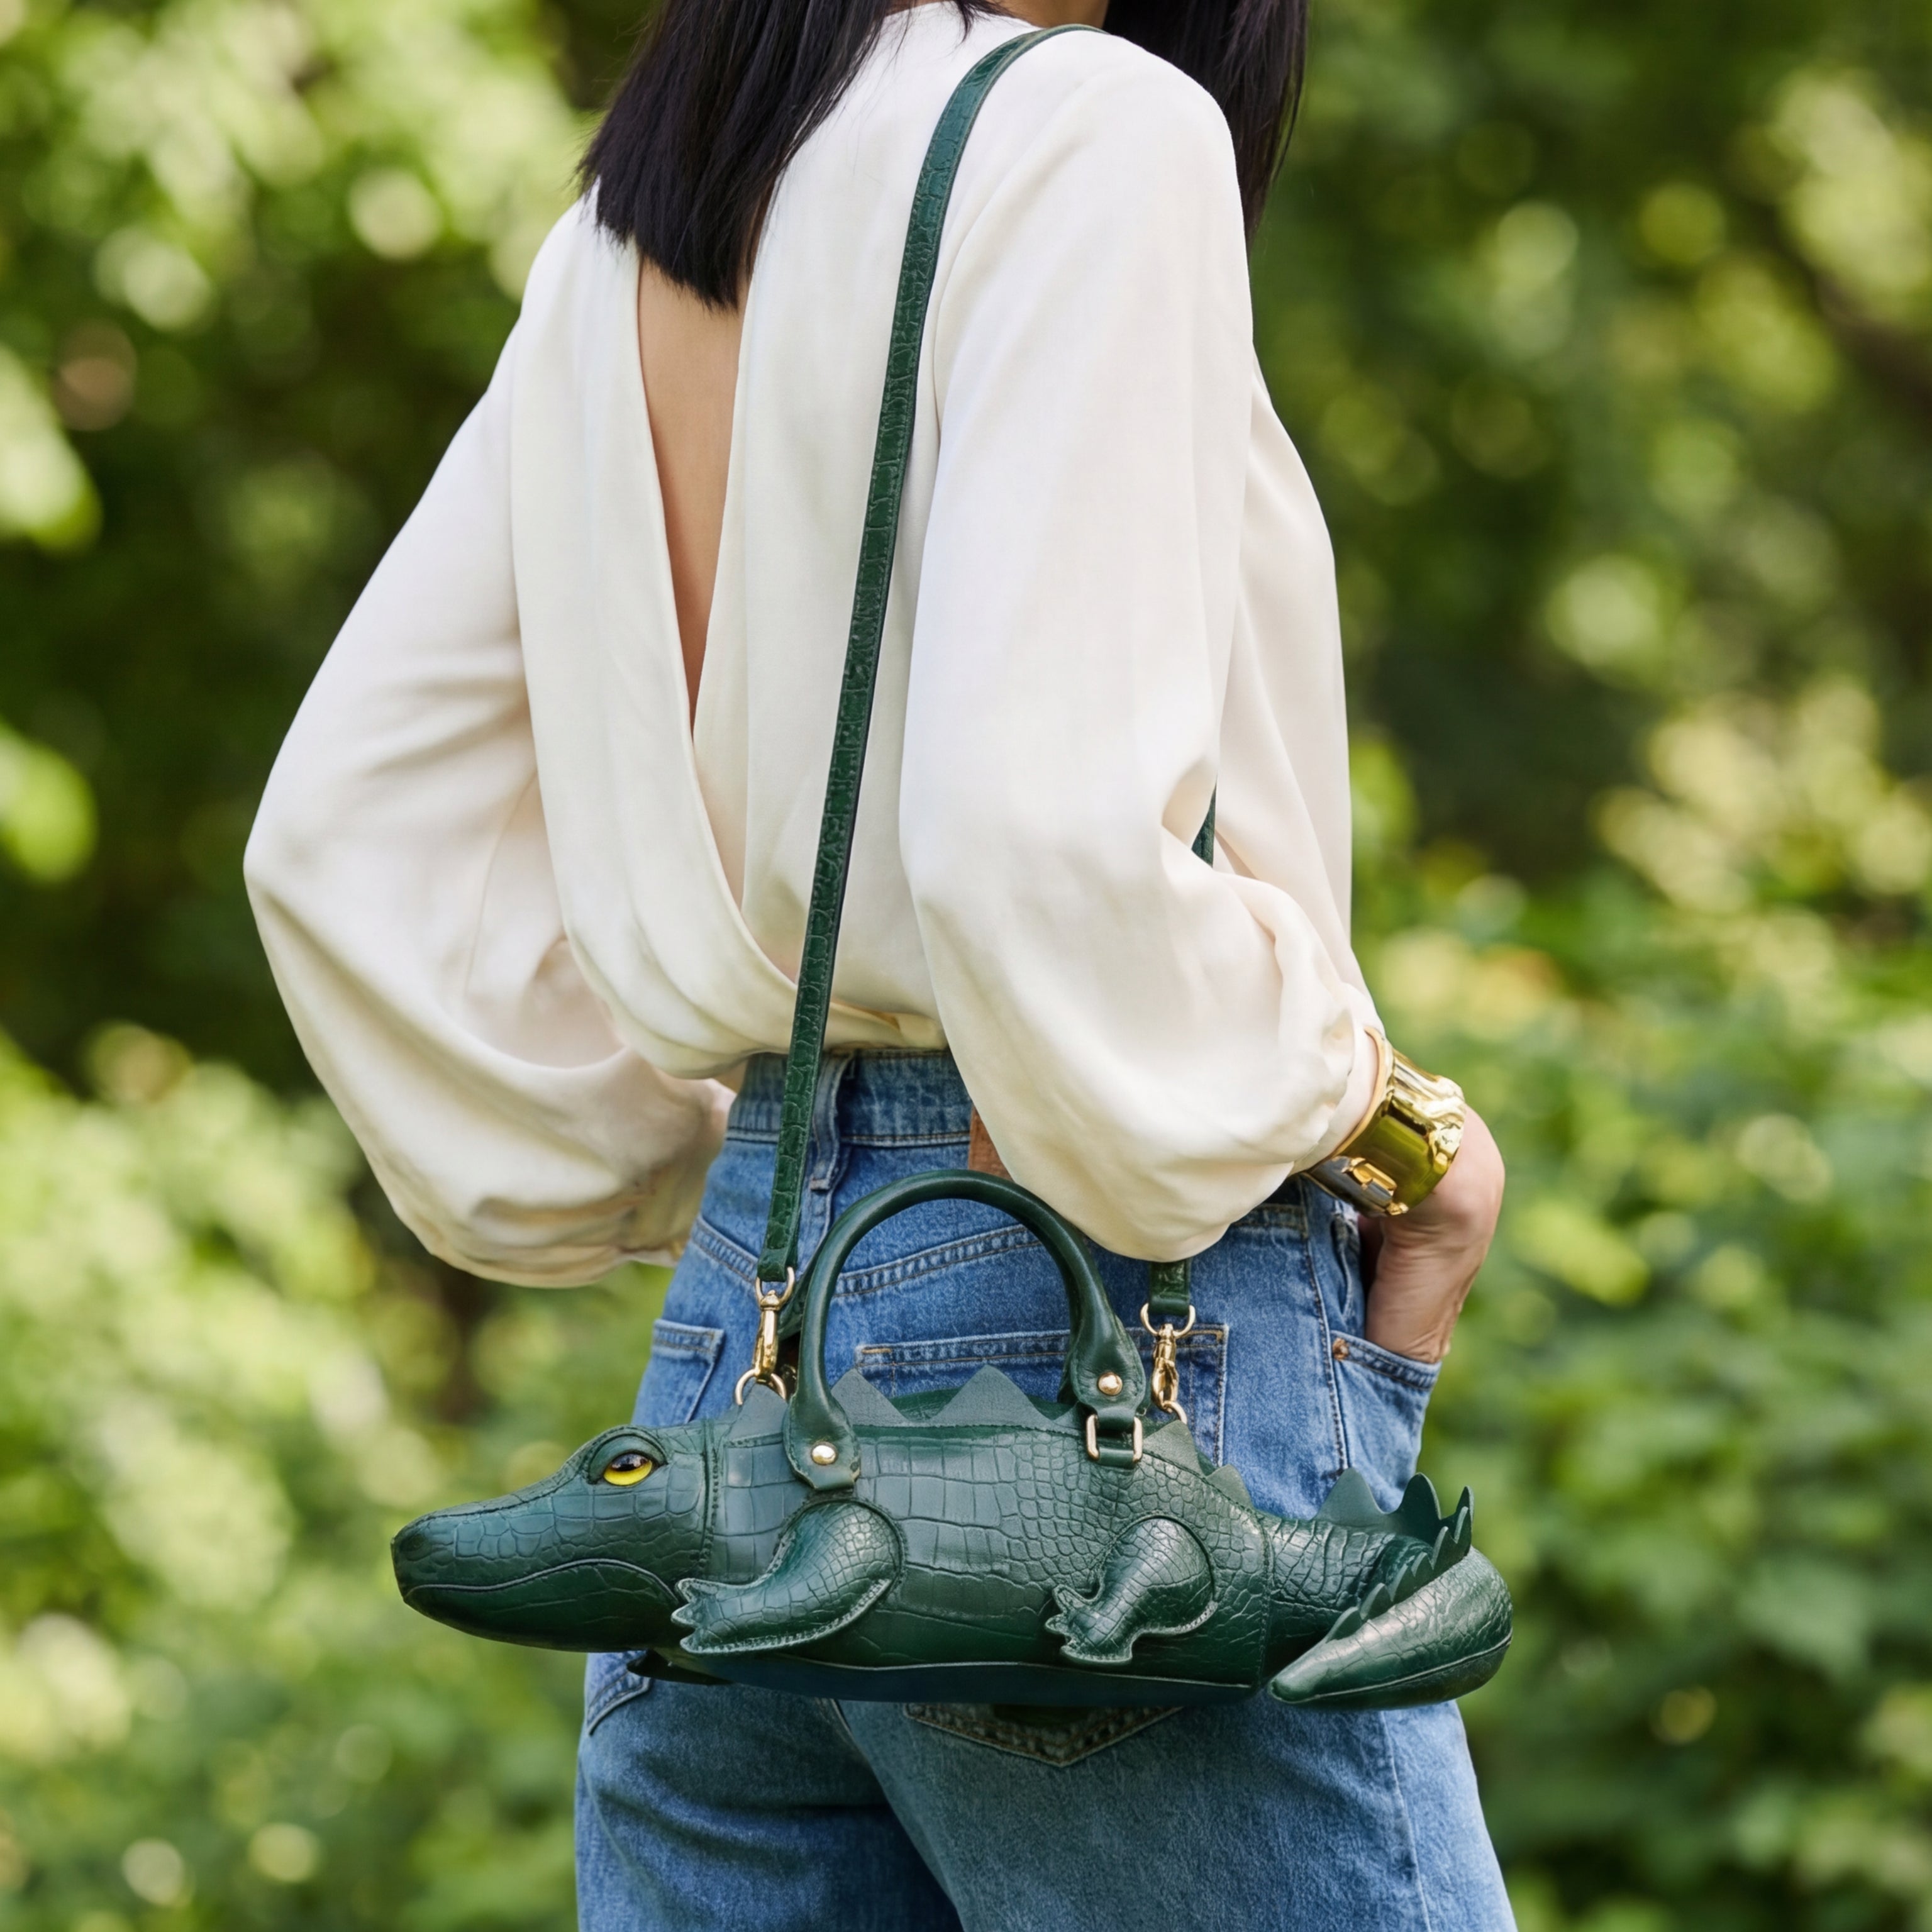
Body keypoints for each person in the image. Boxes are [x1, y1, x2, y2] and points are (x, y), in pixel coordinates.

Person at [245, 0, 1513, 1921]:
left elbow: (340, 837)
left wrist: (718, 1175)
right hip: (1093, 1330)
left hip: (734, 1387)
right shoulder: (1099, 129)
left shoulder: (626, 241)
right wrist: (1380, 1116)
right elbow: (1027, 847)